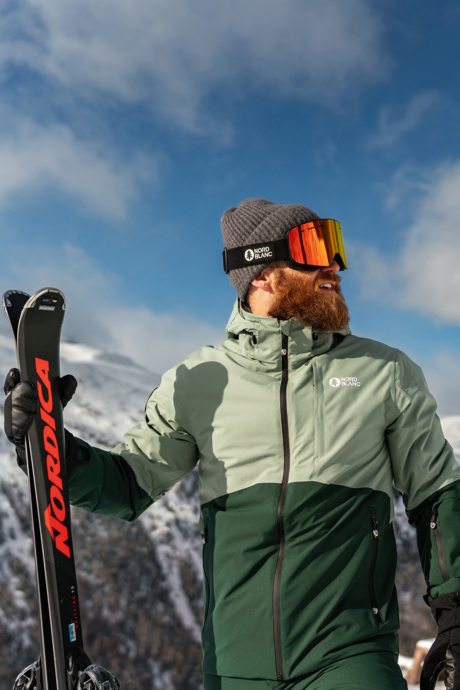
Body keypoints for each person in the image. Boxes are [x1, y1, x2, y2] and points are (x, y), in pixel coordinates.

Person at [4, 198, 460, 690]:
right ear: (260, 272)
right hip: (234, 665)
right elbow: (128, 486)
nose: (335, 265)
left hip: (350, 655)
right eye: (315, 247)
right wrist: (49, 446)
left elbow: (437, 494)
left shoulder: (384, 372)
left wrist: (455, 616)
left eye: (336, 247)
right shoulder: (198, 381)